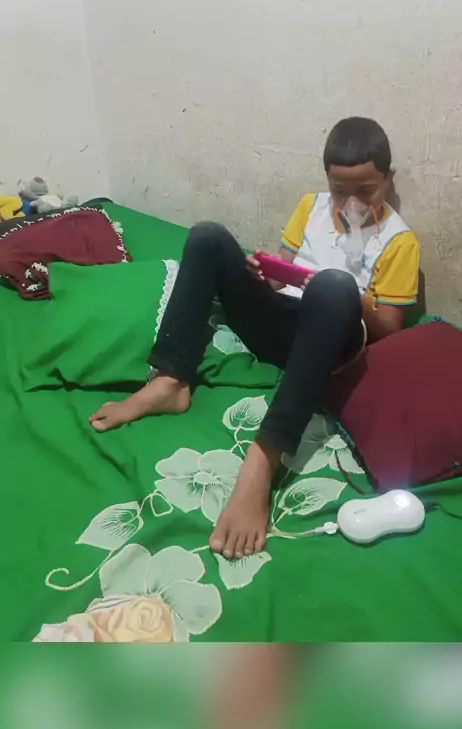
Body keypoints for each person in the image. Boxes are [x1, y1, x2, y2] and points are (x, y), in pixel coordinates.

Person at [89, 117, 420, 559]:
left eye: (366, 190)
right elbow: (283, 275)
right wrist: (266, 273)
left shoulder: (399, 240)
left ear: (388, 180)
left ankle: (263, 460)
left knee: (333, 286)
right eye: (341, 191)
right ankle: (170, 380)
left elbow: (391, 328)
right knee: (208, 236)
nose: (353, 203)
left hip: (331, 340)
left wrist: (347, 293)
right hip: (281, 324)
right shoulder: (312, 207)